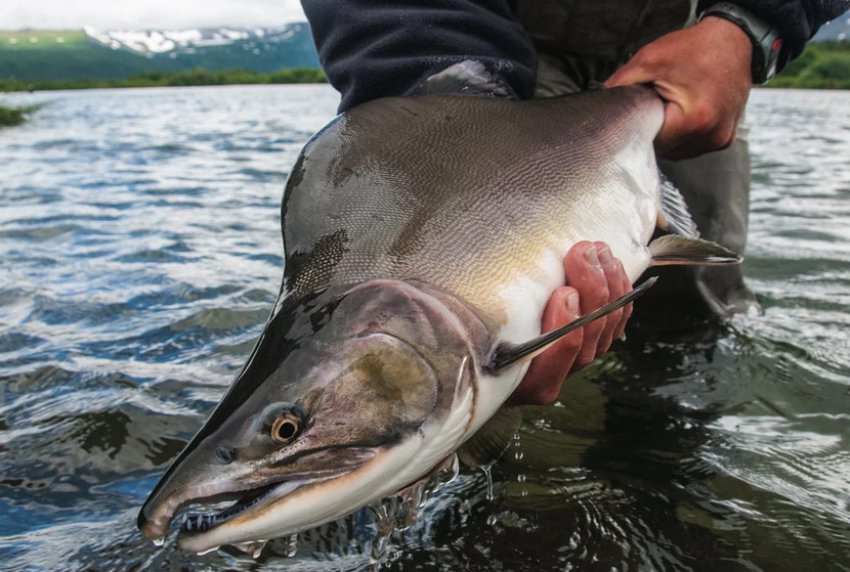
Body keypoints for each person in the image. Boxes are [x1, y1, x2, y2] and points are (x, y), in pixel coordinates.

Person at [300, 0, 850, 404]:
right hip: (483, 42)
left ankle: (668, 475)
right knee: (497, 352)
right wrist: (446, 92)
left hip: (700, 40)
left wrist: (753, 27)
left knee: (697, 304)